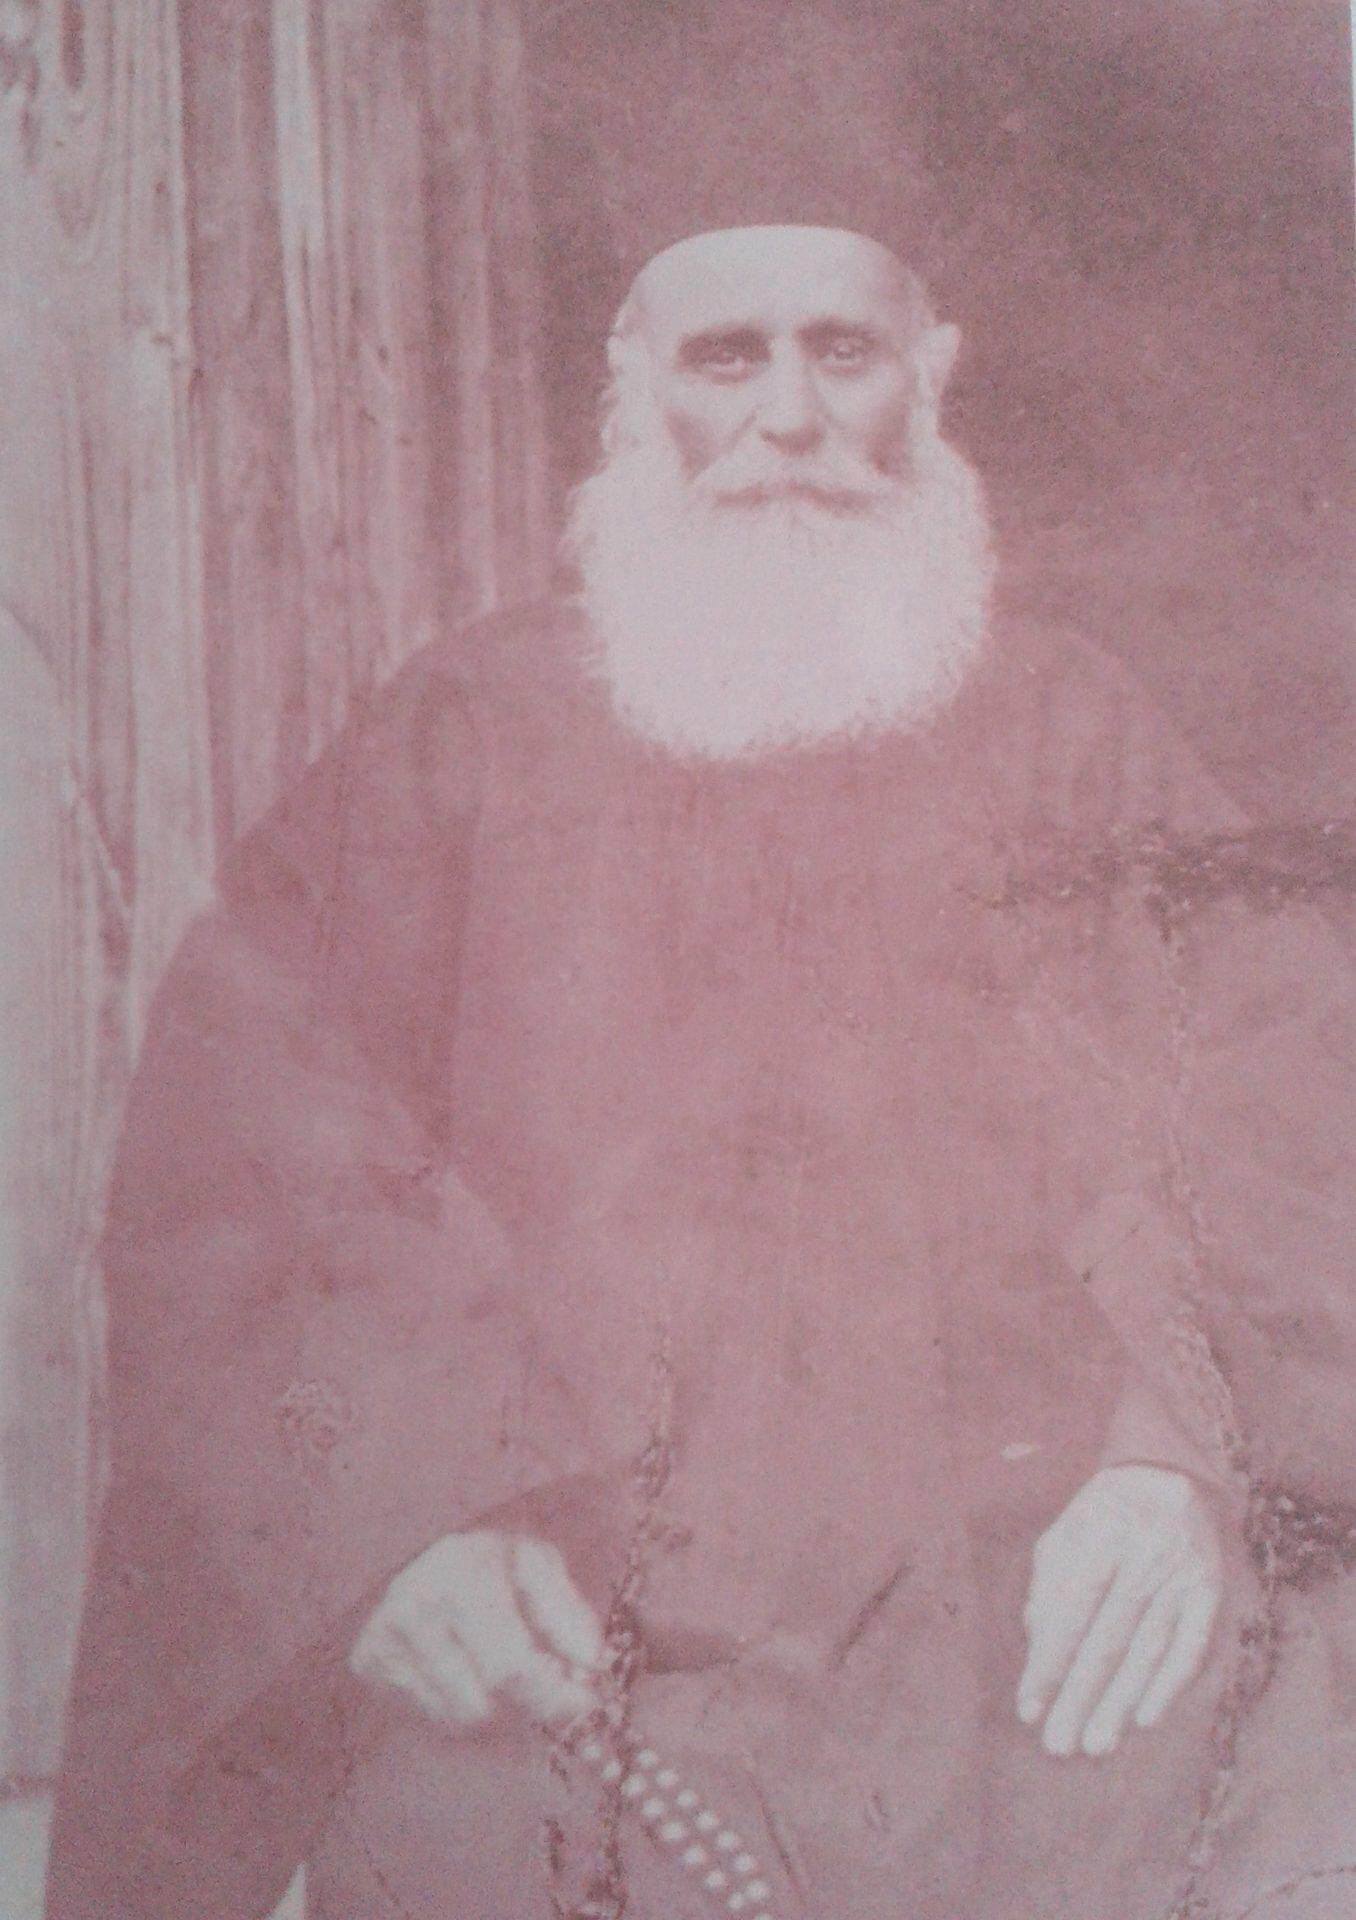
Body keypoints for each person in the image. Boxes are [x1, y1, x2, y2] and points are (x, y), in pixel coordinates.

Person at [45, 227, 1355, 1920]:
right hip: (570, 1611)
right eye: (727, 358)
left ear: (929, 379)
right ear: (633, 390)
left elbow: (1285, 1087)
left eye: (843, 353)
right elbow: (253, 1142)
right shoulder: (465, 726)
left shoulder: (1072, 725)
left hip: (1024, 1598)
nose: (787, 417)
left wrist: (1173, 1456)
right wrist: (405, 1521)